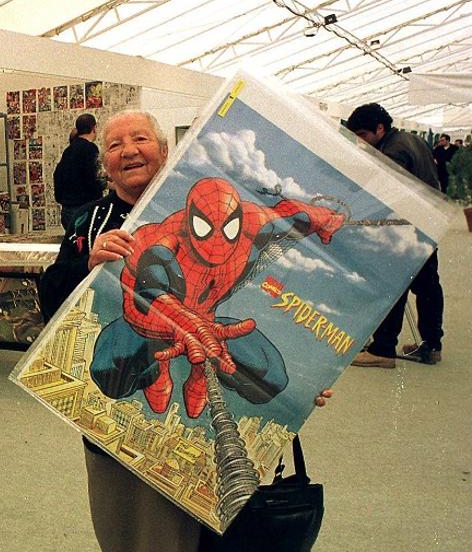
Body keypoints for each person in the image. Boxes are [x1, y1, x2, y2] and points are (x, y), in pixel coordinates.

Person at [39, 110, 334, 552]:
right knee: (143, 531)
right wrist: (86, 263)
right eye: (115, 145)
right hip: (140, 353)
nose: (129, 150)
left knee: (274, 374)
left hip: (211, 344)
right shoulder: (90, 222)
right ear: (105, 162)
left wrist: (309, 373)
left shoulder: (235, 205)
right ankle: (155, 374)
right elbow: (52, 297)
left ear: (164, 150)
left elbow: (288, 219)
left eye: (140, 139)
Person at [345, 103, 444, 366]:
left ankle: (383, 350)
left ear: (380, 128)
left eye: (363, 135)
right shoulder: (413, 140)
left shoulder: (393, 151)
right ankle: (432, 345)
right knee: (428, 287)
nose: (360, 142)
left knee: (392, 286)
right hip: (427, 223)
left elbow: (387, 196)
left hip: (405, 228)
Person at [53, 113, 106, 229]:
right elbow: (95, 178)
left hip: (67, 209)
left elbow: (58, 175)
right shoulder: (91, 149)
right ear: (94, 128)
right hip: (85, 208)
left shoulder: (68, 151)